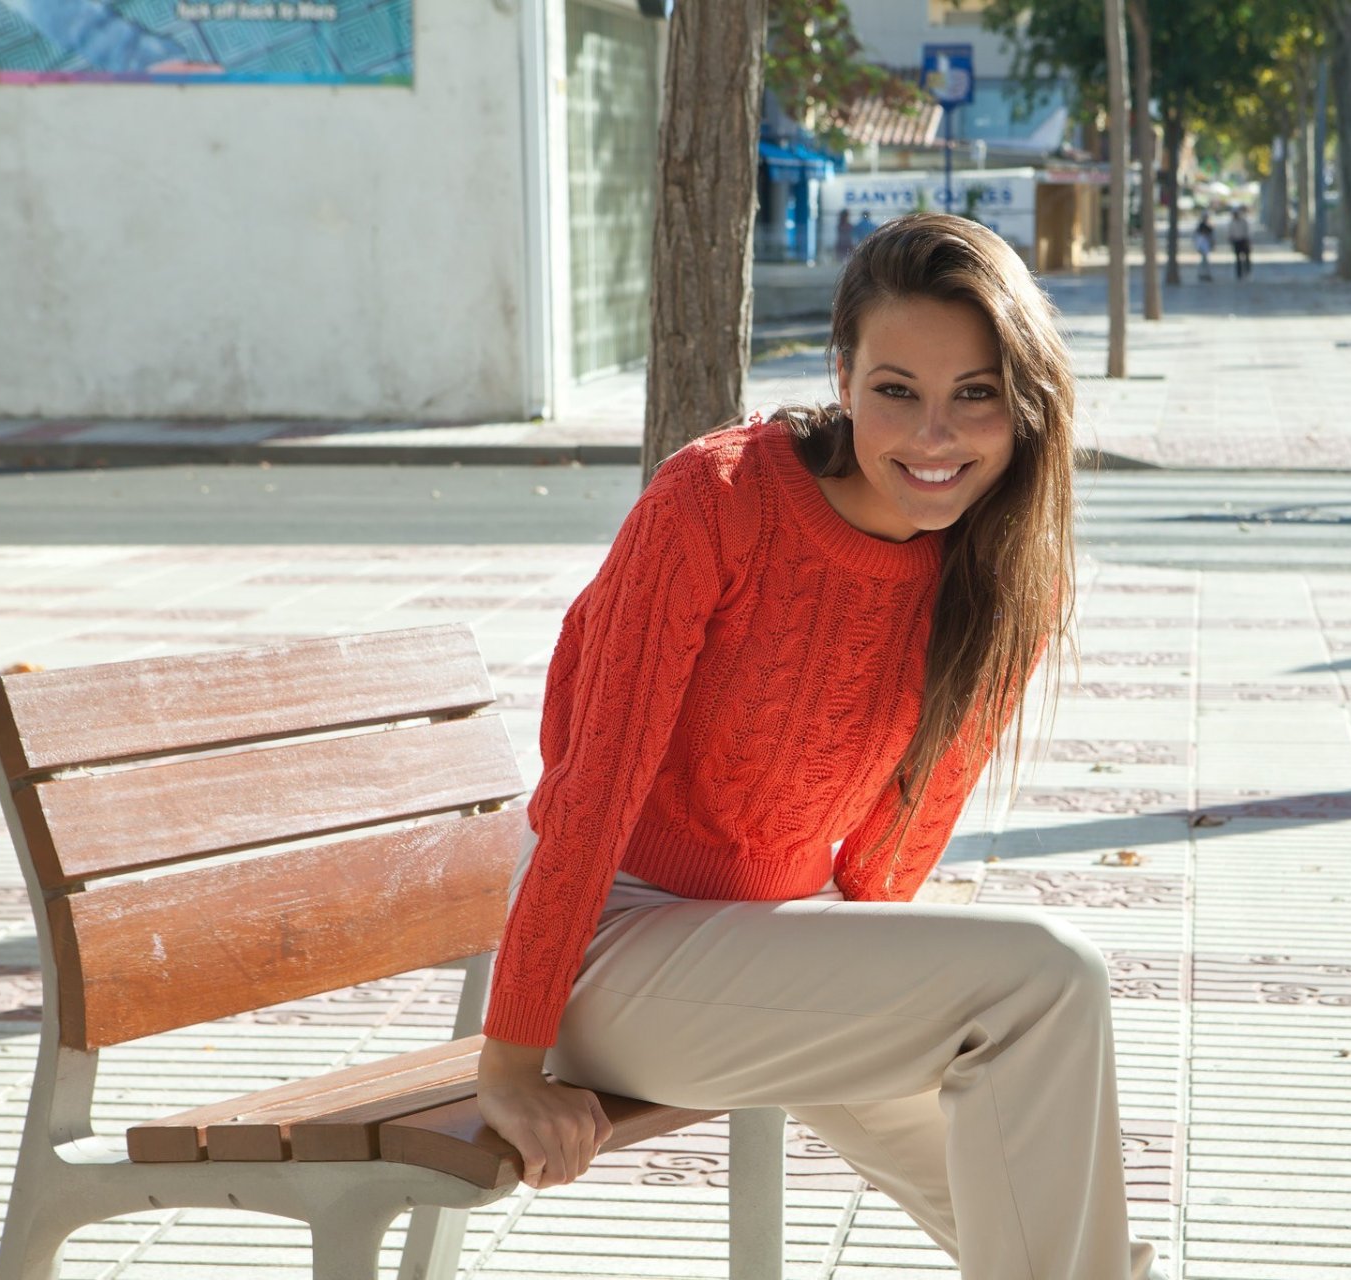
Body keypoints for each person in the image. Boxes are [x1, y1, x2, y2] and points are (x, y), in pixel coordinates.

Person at [477, 212, 1168, 1280]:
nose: (934, 437)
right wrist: (511, 1060)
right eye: (898, 390)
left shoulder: (1003, 578)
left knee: (1068, 1223)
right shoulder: (714, 503)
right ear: (843, 375)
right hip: (604, 949)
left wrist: (869, 974)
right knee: (1046, 978)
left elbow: (894, 848)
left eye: (974, 394)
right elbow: (591, 792)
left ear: (1023, 402)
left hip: (771, 949)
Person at [1229, 204, 1253, 280]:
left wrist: (1248, 241)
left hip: (1244, 241)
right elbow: (1230, 233)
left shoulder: (1244, 221)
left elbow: (1248, 232)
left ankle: (1247, 271)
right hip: (1236, 241)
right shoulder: (1232, 223)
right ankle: (1239, 274)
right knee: (1238, 259)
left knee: (1246, 258)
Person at [1193, 210, 1216, 281]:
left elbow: (1212, 236)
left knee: (1205, 261)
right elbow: (1197, 238)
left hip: (1206, 246)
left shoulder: (1208, 226)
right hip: (1202, 246)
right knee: (1204, 261)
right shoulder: (1200, 226)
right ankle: (1203, 274)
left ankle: (1206, 274)